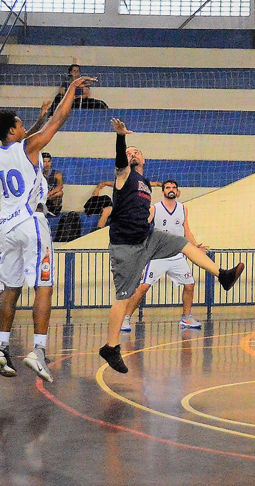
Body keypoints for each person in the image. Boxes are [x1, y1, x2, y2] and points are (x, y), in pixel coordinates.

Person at [98, 118, 244, 374]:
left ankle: (223, 275)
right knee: (124, 297)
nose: (132, 154)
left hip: (148, 237)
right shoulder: (124, 175)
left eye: (136, 152)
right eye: (129, 152)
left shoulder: (145, 184)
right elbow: (121, 160)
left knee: (185, 245)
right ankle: (111, 347)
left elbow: (143, 210)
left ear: (144, 160)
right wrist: (121, 137)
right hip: (126, 246)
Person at [0, 80, 88, 382]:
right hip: (32, 223)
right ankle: (38, 350)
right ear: (13, 130)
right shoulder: (27, 149)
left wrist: (38, 119)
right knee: (44, 286)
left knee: (11, 288)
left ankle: (2, 347)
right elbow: (59, 120)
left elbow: (25, 139)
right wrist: (70, 90)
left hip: (6, 227)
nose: (24, 128)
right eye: (20, 125)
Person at [121, 179, 207, 332]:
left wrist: (195, 247)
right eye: (168, 187)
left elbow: (186, 230)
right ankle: (126, 318)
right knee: (143, 287)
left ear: (178, 191)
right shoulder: (155, 209)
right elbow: (142, 227)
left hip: (177, 254)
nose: (171, 189)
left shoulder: (183, 208)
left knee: (190, 285)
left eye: (174, 187)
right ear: (163, 191)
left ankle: (186, 317)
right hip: (158, 254)